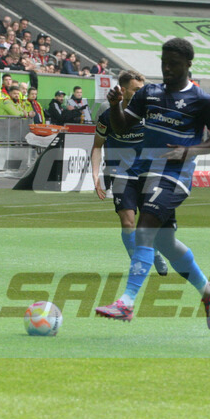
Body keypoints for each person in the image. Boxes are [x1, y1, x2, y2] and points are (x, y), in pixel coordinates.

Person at [95, 38, 210, 327]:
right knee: (165, 243)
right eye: (164, 62)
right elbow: (121, 126)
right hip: (145, 173)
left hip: (174, 175)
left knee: (144, 231)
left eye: (174, 64)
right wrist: (117, 106)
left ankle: (126, 302)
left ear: (188, 65)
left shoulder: (203, 101)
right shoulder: (149, 93)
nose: (167, 68)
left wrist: (189, 151)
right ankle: (209, 290)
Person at [90, 69, 169, 279]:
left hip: (148, 174)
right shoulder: (107, 115)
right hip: (120, 173)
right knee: (127, 223)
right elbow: (97, 146)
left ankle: (155, 252)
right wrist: (95, 176)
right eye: (136, 90)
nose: (141, 93)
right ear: (123, 91)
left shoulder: (151, 114)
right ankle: (137, 261)